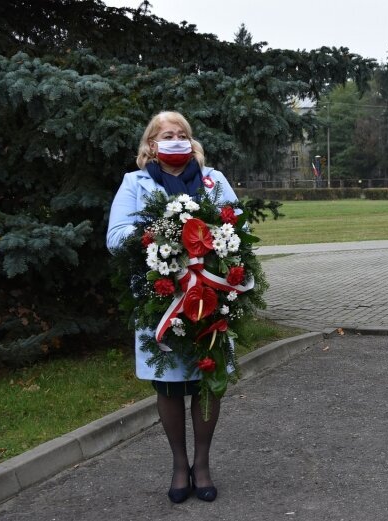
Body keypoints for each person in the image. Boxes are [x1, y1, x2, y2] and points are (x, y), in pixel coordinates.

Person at [107, 111, 239, 503]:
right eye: (167, 134)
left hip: (210, 299)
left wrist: (215, 238)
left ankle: (202, 463)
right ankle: (179, 464)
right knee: (169, 385)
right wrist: (163, 234)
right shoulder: (135, 183)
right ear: (151, 144)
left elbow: (240, 226)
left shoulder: (213, 179)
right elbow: (116, 238)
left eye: (182, 134)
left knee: (207, 378)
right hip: (161, 299)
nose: (176, 139)